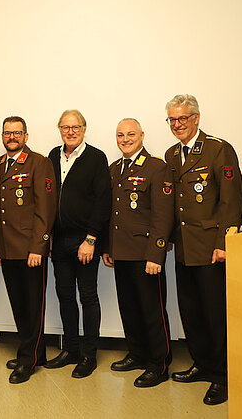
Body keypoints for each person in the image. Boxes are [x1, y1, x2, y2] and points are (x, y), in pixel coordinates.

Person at [164, 94, 242, 406]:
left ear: (196, 118)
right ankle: (202, 363)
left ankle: (222, 375)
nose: (177, 124)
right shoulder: (172, 154)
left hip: (211, 248)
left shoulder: (218, 149)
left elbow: (231, 199)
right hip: (184, 247)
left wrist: (224, 243)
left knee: (214, 314)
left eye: (182, 118)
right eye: (172, 119)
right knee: (191, 311)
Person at [102, 118, 174, 389]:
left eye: (130, 134)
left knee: (152, 311)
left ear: (142, 136)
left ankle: (158, 364)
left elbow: (162, 216)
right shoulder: (114, 169)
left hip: (146, 255)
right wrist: (108, 247)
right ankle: (137, 353)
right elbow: (112, 214)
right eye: (120, 135)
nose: (125, 139)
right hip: (121, 252)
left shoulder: (156, 168)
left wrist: (156, 255)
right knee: (129, 308)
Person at [0, 116, 56, 384]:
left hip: (31, 250)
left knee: (33, 306)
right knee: (18, 304)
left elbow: (45, 209)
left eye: (17, 133)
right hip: (7, 249)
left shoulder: (39, 163)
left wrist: (39, 246)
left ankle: (27, 360)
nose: (12, 137)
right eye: (8, 133)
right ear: (2, 136)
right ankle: (35, 353)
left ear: (26, 136)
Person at [47, 109, 111, 378]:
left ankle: (89, 355)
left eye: (75, 127)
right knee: (64, 296)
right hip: (60, 241)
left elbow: (103, 201)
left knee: (87, 297)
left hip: (85, 241)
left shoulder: (96, 158)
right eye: (65, 127)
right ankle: (71, 349)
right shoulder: (53, 156)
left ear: (84, 129)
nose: (70, 132)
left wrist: (91, 239)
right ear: (60, 129)